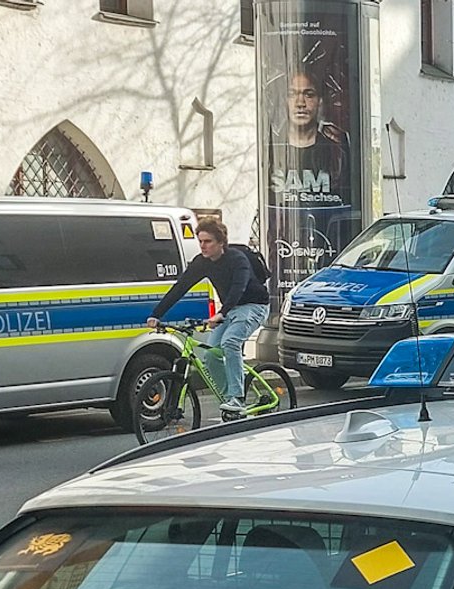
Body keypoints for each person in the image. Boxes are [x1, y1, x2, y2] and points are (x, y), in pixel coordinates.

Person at [147, 219, 270, 418]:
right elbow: (180, 288)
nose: (203, 246)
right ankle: (228, 400)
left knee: (230, 343)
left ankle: (237, 399)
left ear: (221, 242)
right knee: (210, 355)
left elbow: (239, 288)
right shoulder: (201, 262)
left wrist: (221, 312)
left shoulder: (237, 259)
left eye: (208, 241)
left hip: (254, 306)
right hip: (230, 310)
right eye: (200, 241)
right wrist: (156, 314)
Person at [273, 67, 350, 205]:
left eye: (308, 95)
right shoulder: (272, 150)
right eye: (292, 94)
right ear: (285, 101)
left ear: (320, 102)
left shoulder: (336, 153)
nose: (300, 103)